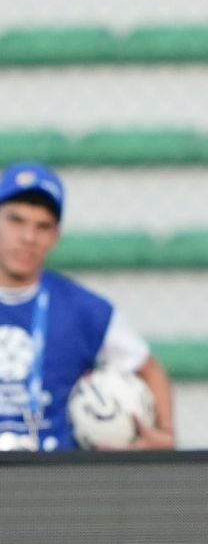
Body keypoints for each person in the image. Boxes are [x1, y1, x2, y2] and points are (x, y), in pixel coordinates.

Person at [0, 162, 174, 452]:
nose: (28, 237)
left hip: (55, 475)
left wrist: (165, 436)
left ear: (55, 236)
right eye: (16, 220)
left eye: (42, 226)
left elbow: (150, 369)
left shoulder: (83, 308)